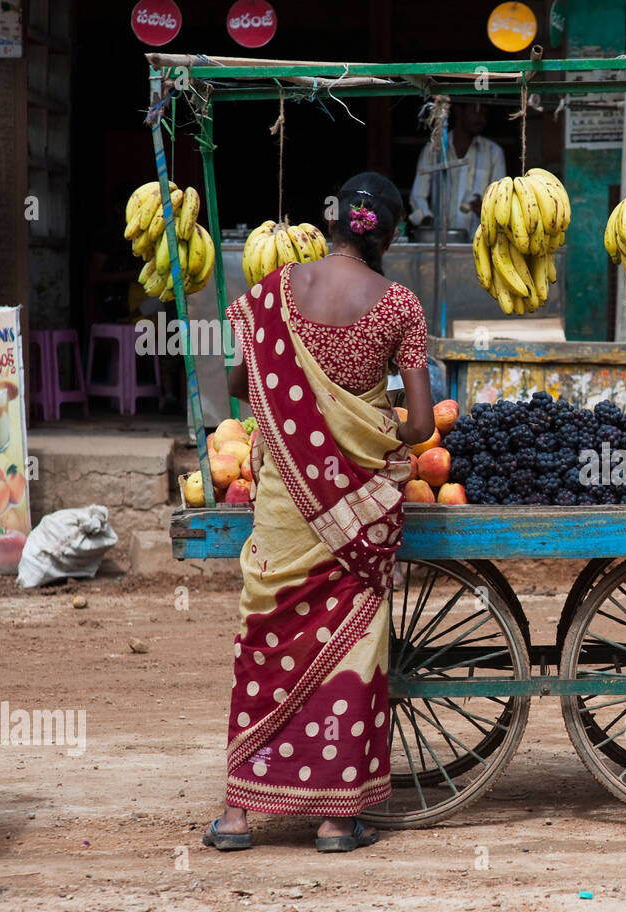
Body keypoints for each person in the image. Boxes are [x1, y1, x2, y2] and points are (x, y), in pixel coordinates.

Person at [208, 171, 435, 853]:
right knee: (355, 646)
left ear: (334, 222)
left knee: (267, 642)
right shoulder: (399, 306)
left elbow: (241, 386)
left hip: (282, 508)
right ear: (388, 234)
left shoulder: (272, 292)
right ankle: (337, 821)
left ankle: (238, 817)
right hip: (360, 511)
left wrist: (300, 414)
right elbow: (422, 423)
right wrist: (368, 435)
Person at [409, 103, 506, 236]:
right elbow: (418, 195)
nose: (481, 119)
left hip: (479, 241)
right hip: (439, 241)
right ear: (458, 111)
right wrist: (426, 217)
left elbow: (501, 202)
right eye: (476, 111)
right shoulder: (433, 151)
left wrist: (485, 209)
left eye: (484, 112)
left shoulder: (493, 152)